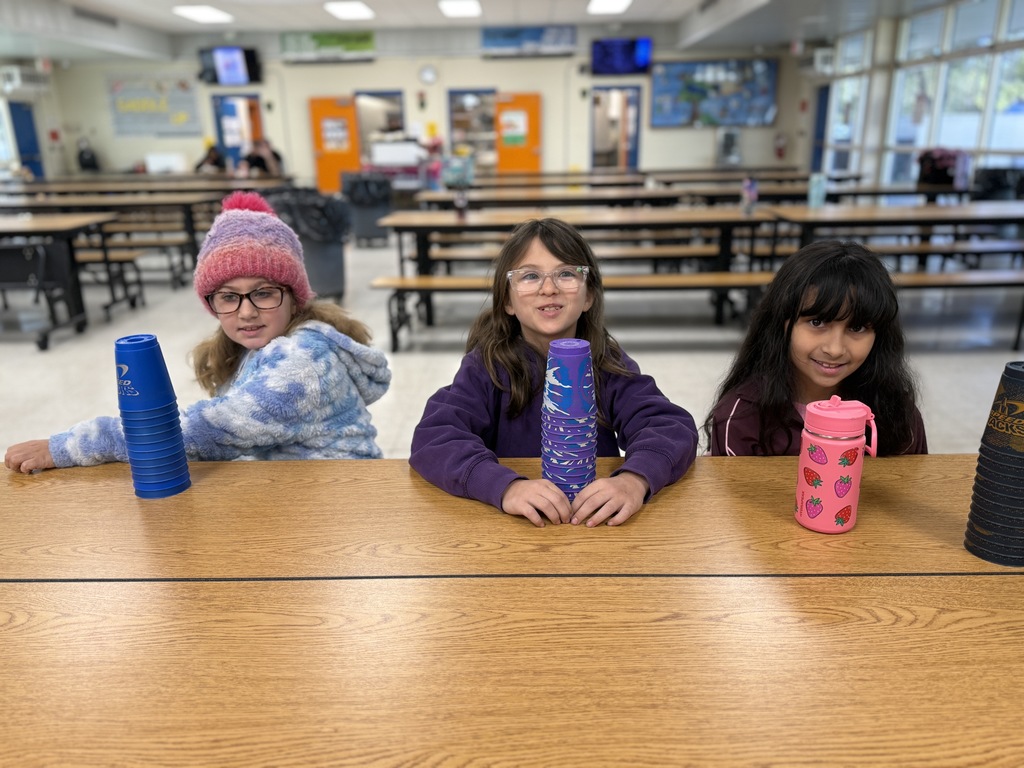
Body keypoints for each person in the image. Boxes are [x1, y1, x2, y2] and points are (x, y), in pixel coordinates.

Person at [4, 191, 390, 473]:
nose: (247, 311)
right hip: (292, 489)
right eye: (228, 297)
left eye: (264, 292)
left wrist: (64, 448)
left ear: (295, 297)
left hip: (339, 505)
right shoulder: (259, 346)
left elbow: (197, 434)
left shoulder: (302, 361)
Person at [409, 217, 699, 528]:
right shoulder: (487, 366)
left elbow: (671, 427)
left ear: (588, 296)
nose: (549, 288)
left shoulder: (605, 362)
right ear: (507, 299)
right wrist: (504, 486)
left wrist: (635, 479)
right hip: (515, 529)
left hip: (592, 525)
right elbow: (435, 437)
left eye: (566, 274)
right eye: (530, 276)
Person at [705, 239, 927, 457]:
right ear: (781, 323)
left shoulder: (897, 414)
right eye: (817, 323)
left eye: (857, 327)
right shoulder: (741, 417)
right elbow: (732, 493)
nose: (835, 349)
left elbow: (913, 486)